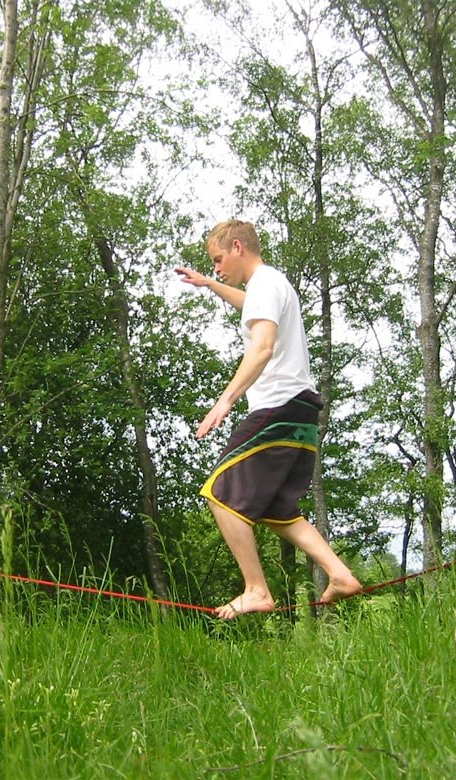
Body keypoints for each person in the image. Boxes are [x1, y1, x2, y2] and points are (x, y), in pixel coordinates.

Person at [175, 220, 361, 619]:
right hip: (301, 412)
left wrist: (225, 401)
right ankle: (340, 574)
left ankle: (256, 589)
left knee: (219, 493)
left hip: (278, 407)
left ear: (237, 247)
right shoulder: (272, 284)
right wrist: (210, 284)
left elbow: (262, 348)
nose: (217, 267)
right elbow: (249, 304)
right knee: (278, 509)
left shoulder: (264, 283)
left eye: (218, 260)